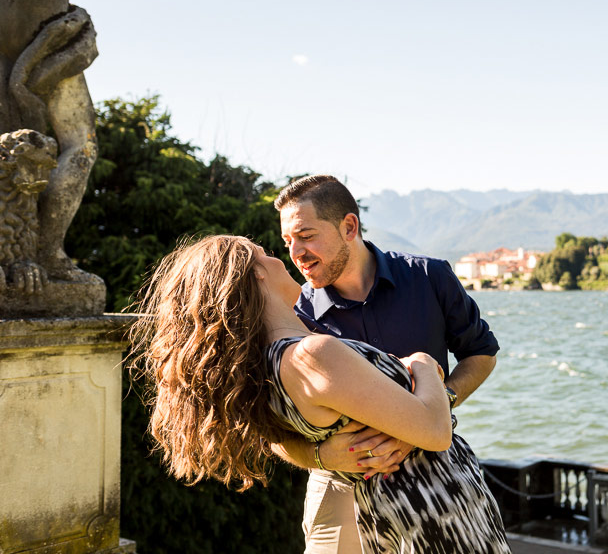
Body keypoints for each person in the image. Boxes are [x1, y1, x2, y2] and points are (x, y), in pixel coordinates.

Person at [129, 235, 511, 554]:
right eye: (271, 252)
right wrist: (424, 363)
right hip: (429, 506)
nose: (288, 257)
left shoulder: (264, 364)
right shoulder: (312, 355)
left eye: (305, 236)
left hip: (406, 508)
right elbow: (434, 430)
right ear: (258, 276)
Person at [270, 175, 500, 553]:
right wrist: (320, 456)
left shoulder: (430, 277)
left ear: (349, 227)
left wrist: (440, 404)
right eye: (288, 241)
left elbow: (481, 353)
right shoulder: (297, 316)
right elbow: (271, 433)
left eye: (306, 235)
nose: (296, 252)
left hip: (434, 472)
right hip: (338, 483)